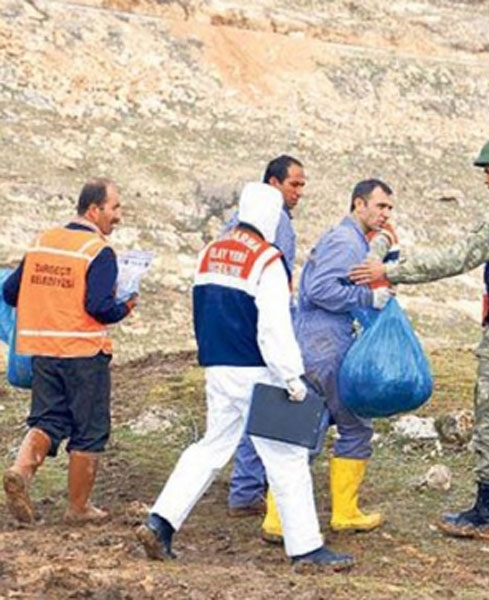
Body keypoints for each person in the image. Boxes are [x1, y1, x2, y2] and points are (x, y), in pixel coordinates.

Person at [349, 137, 489, 538]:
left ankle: (484, 510)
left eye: (488, 172)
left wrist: (390, 272)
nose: (485, 180)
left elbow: (458, 257)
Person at [136, 182, 352, 571]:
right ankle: (306, 549)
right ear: (270, 217)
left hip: (219, 368)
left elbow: (201, 310)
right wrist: (293, 378)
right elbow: (273, 328)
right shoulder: (267, 260)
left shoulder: (209, 253)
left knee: (210, 448)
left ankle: (161, 521)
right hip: (259, 372)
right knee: (287, 458)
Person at [259, 179, 394, 545]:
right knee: (354, 426)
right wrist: (369, 297)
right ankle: (344, 513)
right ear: (358, 204)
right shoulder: (344, 241)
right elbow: (319, 290)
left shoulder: (348, 239)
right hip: (327, 346)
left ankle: (276, 518)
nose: (385, 214)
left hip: (311, 344)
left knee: (298, 429)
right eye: (379, 206)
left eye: (389, 209)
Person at [2, 179, 137, 525]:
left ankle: (21, 470)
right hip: (83, 353)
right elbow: (99, 307)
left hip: (43, 351)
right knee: (89, 430)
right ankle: (78, 508)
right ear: (94, 209)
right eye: (115, 208)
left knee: (47, 420)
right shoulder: (98, 251)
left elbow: (10, 291)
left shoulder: (43, 241)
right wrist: (126, 306)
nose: (118, 216)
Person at [226, 155, 307, 517]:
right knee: (266, 405)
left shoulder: (234, 226)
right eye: (294, 184)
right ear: (273, 184)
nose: (299, 192)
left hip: (230, 331)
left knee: (233, 414)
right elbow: (279, 286)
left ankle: (244, 487)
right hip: (259, 331)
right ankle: (249, 490)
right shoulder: (277, 226)